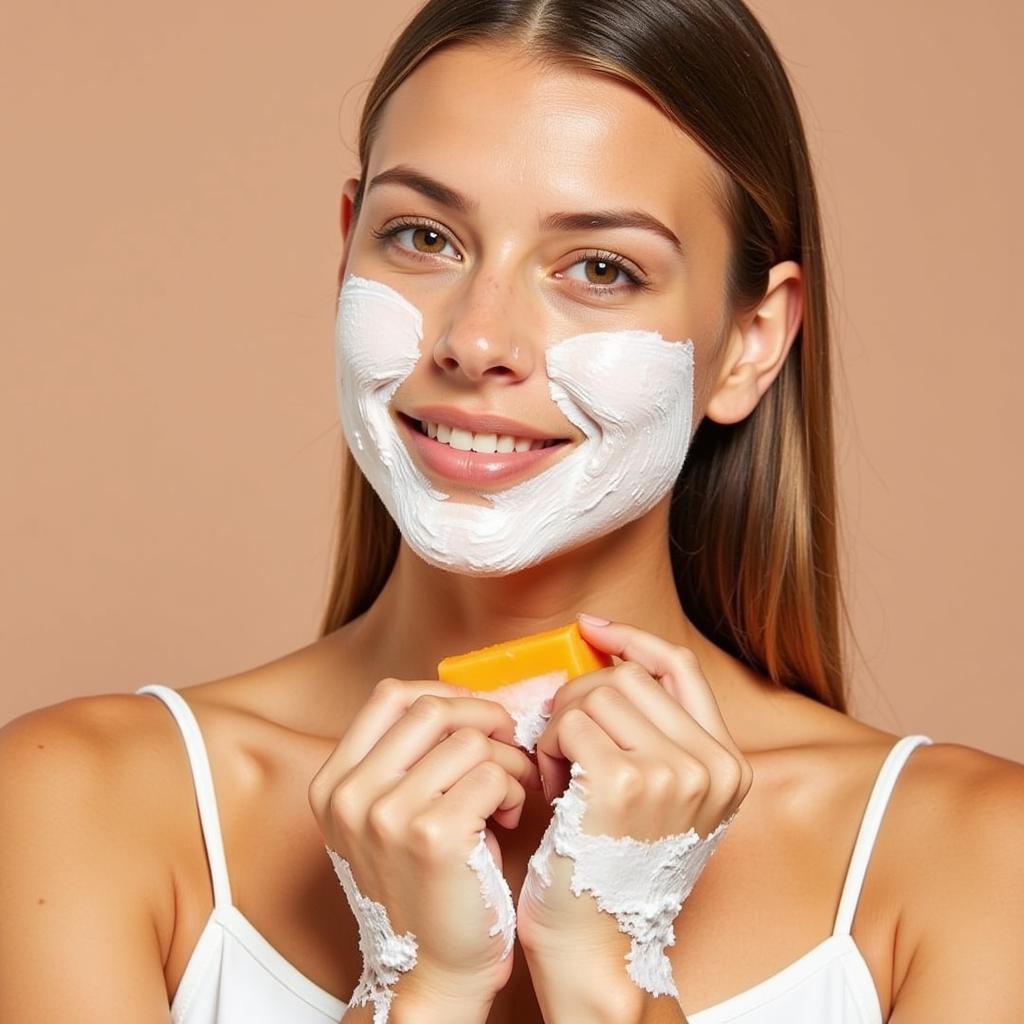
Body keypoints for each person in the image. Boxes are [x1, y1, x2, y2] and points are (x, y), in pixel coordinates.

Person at [2, 0, 1022, 1021]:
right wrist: (423, 985)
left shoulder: (969, 860)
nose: (476, 339)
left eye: (599, 268)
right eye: (422, 236)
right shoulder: (75, 806)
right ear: (345, 248)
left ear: (750, 341)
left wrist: (606, 973)